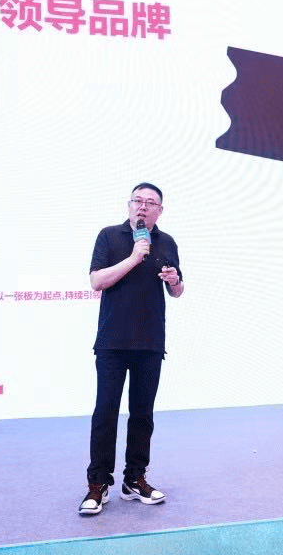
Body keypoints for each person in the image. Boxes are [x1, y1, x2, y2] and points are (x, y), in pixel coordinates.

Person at [79, 182, 184, 515]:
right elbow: (97, 281)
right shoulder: (109, 236)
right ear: (129, 205)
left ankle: (134, 479)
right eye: (138, 200)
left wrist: (174, 280)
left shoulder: (167, 242)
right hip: (112, 341)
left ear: (159, 211)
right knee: (105, 413)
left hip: (150, 342)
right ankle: (98, 484)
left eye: (150, 202)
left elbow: (178, 291)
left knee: (142, 415)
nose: (143, 206)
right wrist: (135, 257)